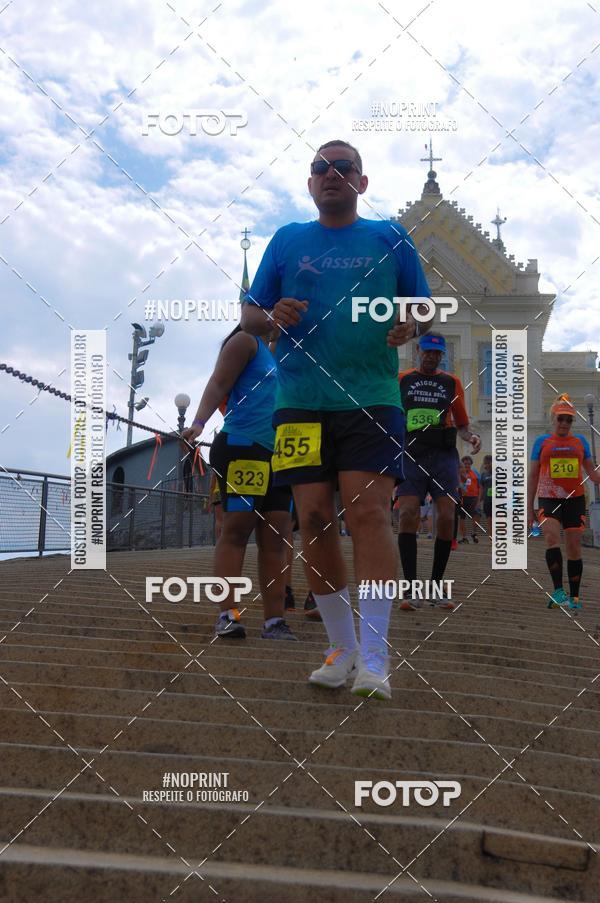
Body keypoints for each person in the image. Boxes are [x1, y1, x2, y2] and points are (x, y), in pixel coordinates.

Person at [241, 139, 429, 700]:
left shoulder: (388, 237)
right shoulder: (287, 239)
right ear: (309, 183)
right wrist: (270, 315)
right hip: (299, 400)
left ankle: (374, 657)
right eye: (319, 168)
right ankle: (341, 648)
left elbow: (421, 304)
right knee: (315, 517)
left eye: (342, 168)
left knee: (369, 513)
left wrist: (409, 326)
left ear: (361, 183)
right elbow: (249, 315)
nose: (330, 175)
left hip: (371, 396)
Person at [182, 325, 297, 640]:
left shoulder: (278, 356)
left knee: (276, 537)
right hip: (244, 446)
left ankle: (275, 621)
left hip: (281, 455)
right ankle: (227, 614)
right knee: (237, 528)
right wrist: (198, 423)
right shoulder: (246, 341)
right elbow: (218, 382)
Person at [397, 333, 481, 610]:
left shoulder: (451, 382)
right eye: (428, 352)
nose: (432, 357)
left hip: (443, 454)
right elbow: (391, 413)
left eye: (437, 353)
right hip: (412, 453)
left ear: (442, 355)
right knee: (407, 512)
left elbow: (461, 424)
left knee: (446, 515)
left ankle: (435, 586)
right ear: (418, 351)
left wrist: (471, 438)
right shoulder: (402, 379)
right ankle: (409, 589)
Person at [527, 393, 600, 610]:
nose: (564, 423)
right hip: (548, 499)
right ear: (553, 419)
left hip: (575, 500)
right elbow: (533, 475)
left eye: (569, 419)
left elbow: (593, 475)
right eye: (561, 418)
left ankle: (575, 597)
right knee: (551, 538)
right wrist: (529, 506)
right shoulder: (542, 442)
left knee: (574, 547)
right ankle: (558, 591)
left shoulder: (580, 442)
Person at [458, 455, 481, 543]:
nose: (467, 465)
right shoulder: (459, 472)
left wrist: (479, 499)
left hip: (474, 498)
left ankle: (474, 533)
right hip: (462, 498)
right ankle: (464, 537)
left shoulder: (475, 472)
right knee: (462, 517)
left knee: (477, 515)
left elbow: (480, 486)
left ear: (471, 464)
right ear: (462, 464)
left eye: (468, 463)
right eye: (465, 463)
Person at [479, 454, 493, 537]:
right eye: (486, 463)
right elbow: (481, 489)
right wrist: (479, 501)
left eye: (489, 463)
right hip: (487, 501)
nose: (487, 465)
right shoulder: (483, 475)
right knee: (489, 520)